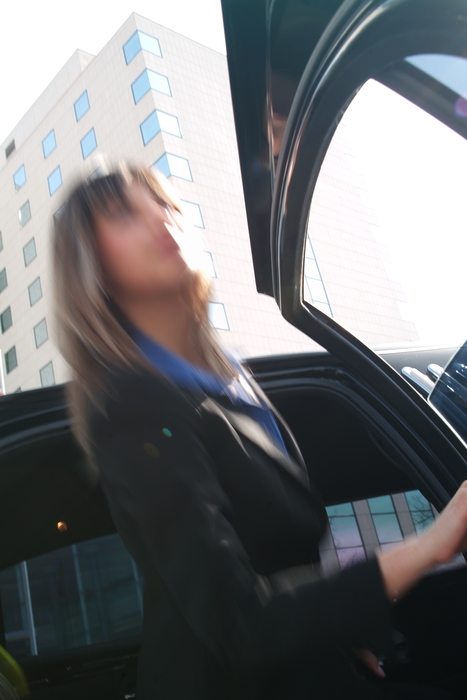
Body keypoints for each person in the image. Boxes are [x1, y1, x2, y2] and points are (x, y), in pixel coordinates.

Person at [53, 163, 467, 699]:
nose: (161, 219)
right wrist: (431, 544)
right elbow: (237, 621)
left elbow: (277, 567)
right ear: (92, 265)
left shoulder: (225, 377)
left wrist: (331, 635)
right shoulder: (133, 402)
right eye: (124, 213)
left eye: (166, 204)